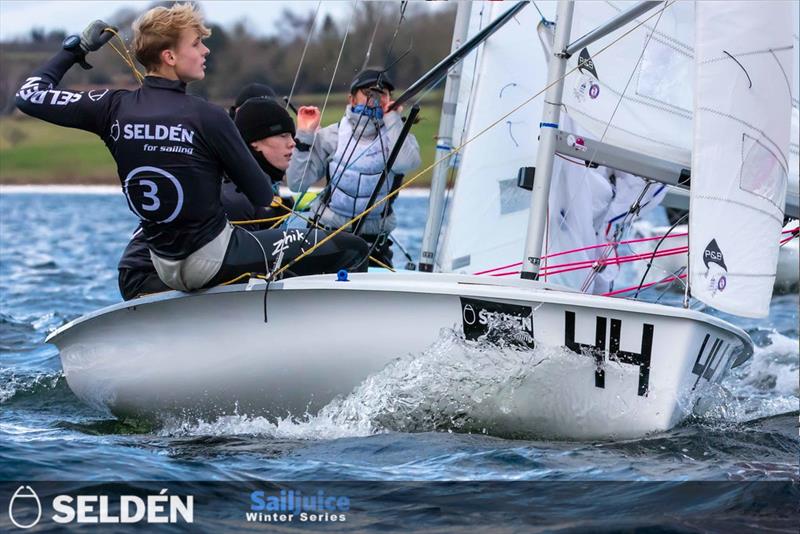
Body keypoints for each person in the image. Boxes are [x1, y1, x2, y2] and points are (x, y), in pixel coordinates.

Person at [16, 4, 368, 297]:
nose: (206, 51)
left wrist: (74, 50)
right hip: (211, 261)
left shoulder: (111, 107)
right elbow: (262, 194)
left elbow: (29, 95)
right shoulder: (208, 116)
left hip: (162, 267)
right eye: (197, 43)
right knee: (348, 247)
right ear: (169, 56)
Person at [118, 96, 301, 300]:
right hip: (145, 277)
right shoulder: (234, 195)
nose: (292, 143)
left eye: (292, 136)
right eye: (283, 135)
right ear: (255, 143)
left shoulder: (248, 185)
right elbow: (239, 262)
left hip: (181, 271)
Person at [286, 68, 421, 268]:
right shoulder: (331, 135)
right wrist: (305, 135)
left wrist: (392, 119)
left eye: (382, 94)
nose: (375, 99)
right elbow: (297, 183)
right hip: (326, 234)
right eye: (368, 93)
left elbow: (407, 164)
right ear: (351, 98)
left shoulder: (398, 138)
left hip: (374, 241)